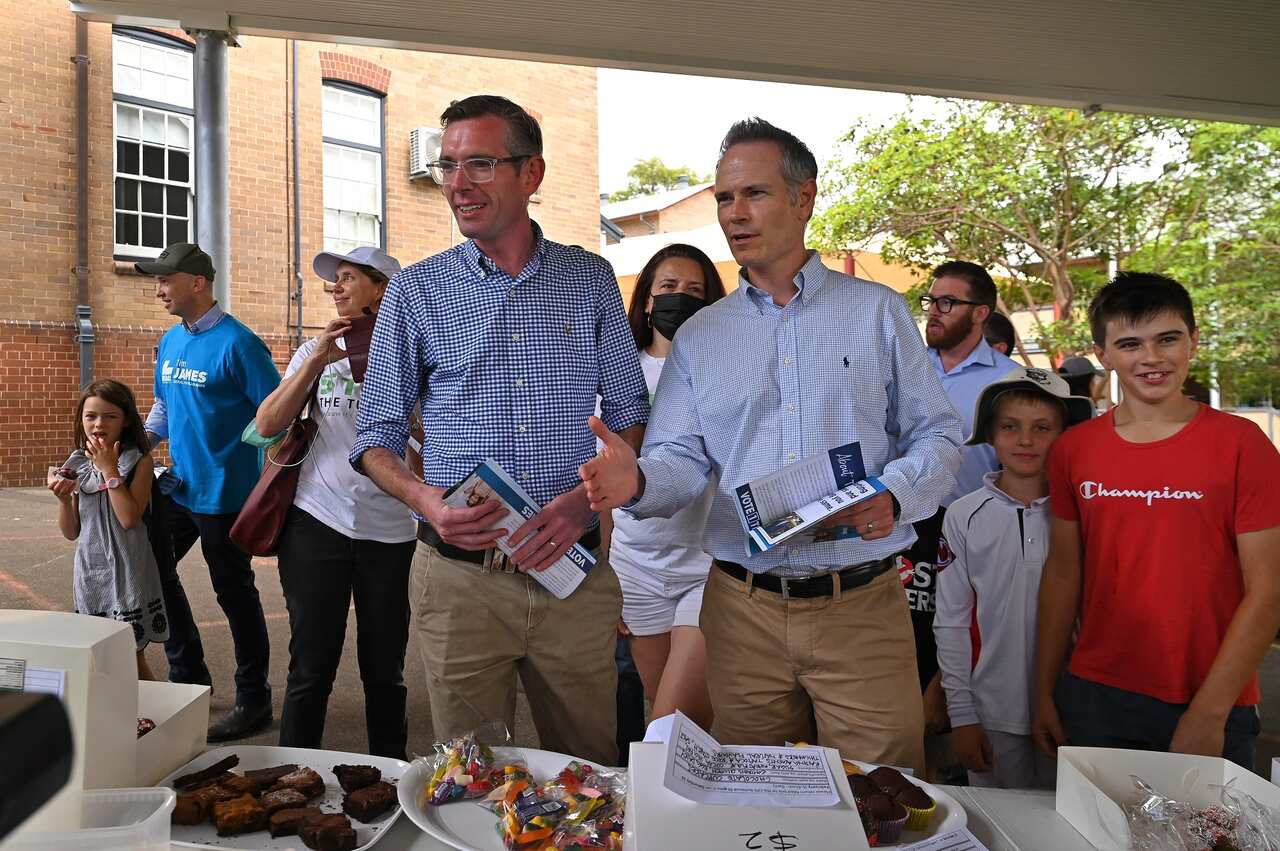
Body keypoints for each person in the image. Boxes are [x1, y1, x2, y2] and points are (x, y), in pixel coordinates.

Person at [581, 118, 962, 772]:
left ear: (803, 198)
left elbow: (940, 433)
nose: (734, 213)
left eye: (753, 194)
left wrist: (895, 496)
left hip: (860, 604)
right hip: (741, 609)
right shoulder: (702, 337)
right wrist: (637, 483)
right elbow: (680, 460)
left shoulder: (877, 312)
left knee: (883, 790)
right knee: (750, 791)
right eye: (725, 198)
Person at [349, 95, 648, 765]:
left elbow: (630, 413)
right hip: (459, 582)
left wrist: (584, 502)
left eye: (479, 163)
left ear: (531, 173)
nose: (457, 182)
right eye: (448, 164)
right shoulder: (415, 291)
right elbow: (376, 436)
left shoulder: (590, 279)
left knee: (589, 769)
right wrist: (428, 502)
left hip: (573, 570)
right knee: (465, 777)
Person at [1033, 272, 1280, 770]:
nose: (1151, 357)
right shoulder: (1074, 450)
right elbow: (1063, 575)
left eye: (1167, 338)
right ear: (1103, 354)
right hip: (1096, 695)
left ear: (1193, 341)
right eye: (1129, 344)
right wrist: (1042, 689)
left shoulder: (1242, 445)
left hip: (1213, 695)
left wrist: (1210, 712)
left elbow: (1269, 590)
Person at [253, 246, 417, 760]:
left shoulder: (417, 354)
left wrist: (397, 398)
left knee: (384, 667)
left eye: (348, 278)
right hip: (317, 519)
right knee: (311, 664)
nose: (336, 288)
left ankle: (390, 778)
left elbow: (436, 445)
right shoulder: (314, 351)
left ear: (383, 288)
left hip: (389, 529)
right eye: (335, 280)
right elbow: (266, 425)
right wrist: (317, 362)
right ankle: (294, 775)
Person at [139, 242, 281, 742]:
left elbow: (277, 417)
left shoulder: (240, 344)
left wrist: (247, 463)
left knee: (234, 595)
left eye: (165, 280)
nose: (158, 289)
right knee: (153, 572)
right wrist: (133, 445)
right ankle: (189, 679)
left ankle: (253, 700)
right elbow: (163, 406)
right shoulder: (172, 341)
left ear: (197, 283)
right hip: (179, 488)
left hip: (229, 497)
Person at [934, 366, 1093, 788]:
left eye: (1043, 428)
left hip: (1072, 708)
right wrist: (963, 716)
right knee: (998, 829)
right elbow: (951, 620)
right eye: (1010, 427)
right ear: (989, 434)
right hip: (990, 713)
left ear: (1066, 436)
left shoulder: (1084, 512)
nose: (1025, 440)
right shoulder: (963, 515)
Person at [607, 243, 724, 730]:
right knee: (658, 707)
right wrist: (603, 579)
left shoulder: (724, 372)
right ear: (648, 300)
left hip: (706, 565)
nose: (681, 298)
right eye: (669, 288)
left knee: (678, 719)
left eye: (694, 291)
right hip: (634, 565)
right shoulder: (616, 371)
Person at [908, 261, 1018, 769]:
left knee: (954, 653)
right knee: (905, 653)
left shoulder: (1009, 384)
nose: (934, 311)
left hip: (972, 543)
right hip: (902, 533)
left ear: (981, 313)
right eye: (931, 300)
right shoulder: (905, 367)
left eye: (947, 302)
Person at [49, 379, 168, 680]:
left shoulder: (139, 460)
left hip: (128, 570)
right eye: (91, 416)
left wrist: (110, 470)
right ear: (81, 420)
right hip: (91, 571)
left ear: (125, 420)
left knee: (129, 653)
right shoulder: (77, 462)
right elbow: (71, 531)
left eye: (109, 416)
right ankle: (117, 715)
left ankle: (153, 717)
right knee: (98, 654)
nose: (99, 423)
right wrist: (64, 500)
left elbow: (129, 518)